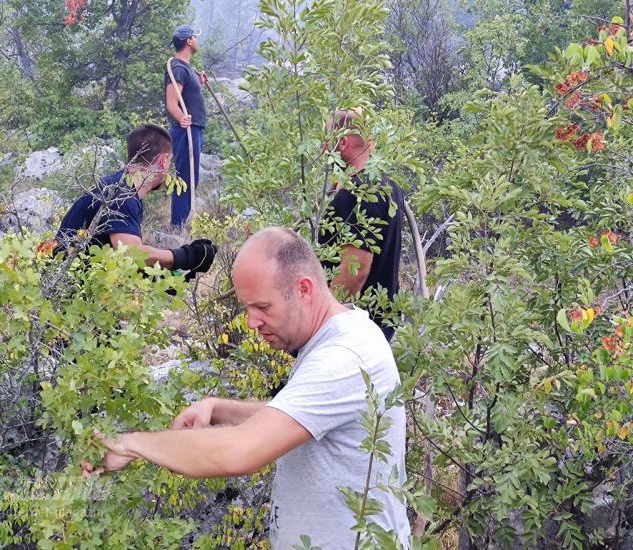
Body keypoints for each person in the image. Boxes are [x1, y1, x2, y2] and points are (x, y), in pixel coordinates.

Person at [84, 227, 410, 549]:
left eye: (263, 308)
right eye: (247, 308)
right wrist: (219, 409)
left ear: (304, 289)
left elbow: (238, 452)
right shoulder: (334, 338)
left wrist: (129, 444)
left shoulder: (344, 357)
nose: (251, 322)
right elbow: (298, 415)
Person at [56, 124, 215, 275]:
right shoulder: (121, 195)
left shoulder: (122, 186)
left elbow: (119, 255)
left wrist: (164, 274)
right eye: (169, 162)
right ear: (163, 160)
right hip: (66, 289)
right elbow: (132, 253)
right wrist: (185, 257)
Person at [318, 110, 404, 342]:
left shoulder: (357, 194)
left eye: (327, 141)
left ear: (343, 142)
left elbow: (354, 270)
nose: (324, 150)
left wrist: (325, 324)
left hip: (355, 330)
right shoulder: (388, 185)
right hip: (380, 321)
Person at [164, 24, 207, 227]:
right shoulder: (178, 68)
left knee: (191, 177)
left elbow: (187, 95)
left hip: (194, 129)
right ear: (189, 41)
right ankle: (178, 226)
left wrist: (199, 82)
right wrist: (181, 118)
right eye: (195, 37)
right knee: (185, 178)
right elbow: (171, 102)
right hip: (185, 131)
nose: (197, 40)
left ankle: (182, 223)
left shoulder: (187, 69)